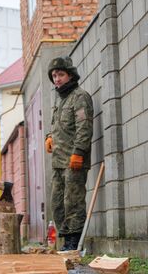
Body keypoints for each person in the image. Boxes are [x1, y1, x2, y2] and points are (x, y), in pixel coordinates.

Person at [45, 55, 93, 251]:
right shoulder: (61, 100)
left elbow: (84, 127)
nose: (57, 79)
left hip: (74, 161)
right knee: (57, 204)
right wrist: (49, 137)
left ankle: (73, 243)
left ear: (70, 75)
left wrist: (79, 152)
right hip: (58, 162)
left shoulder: (80, 97)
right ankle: (66, 240)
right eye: (54, 75)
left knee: (73, 203)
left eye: (61, 74)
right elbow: (58, 126)